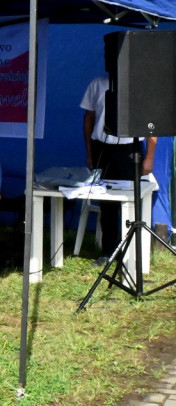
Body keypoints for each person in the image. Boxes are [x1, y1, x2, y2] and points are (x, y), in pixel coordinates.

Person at [81, 74, 156, 265]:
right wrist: (90, 153)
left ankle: (130, 252)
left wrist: (149, 157)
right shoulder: (97, 84)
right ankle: (109, 250)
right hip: (102, 147)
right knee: (106, 202)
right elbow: (88, 118)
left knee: (130, 200)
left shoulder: (139, 85)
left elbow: (150, 124)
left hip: (129, 149)